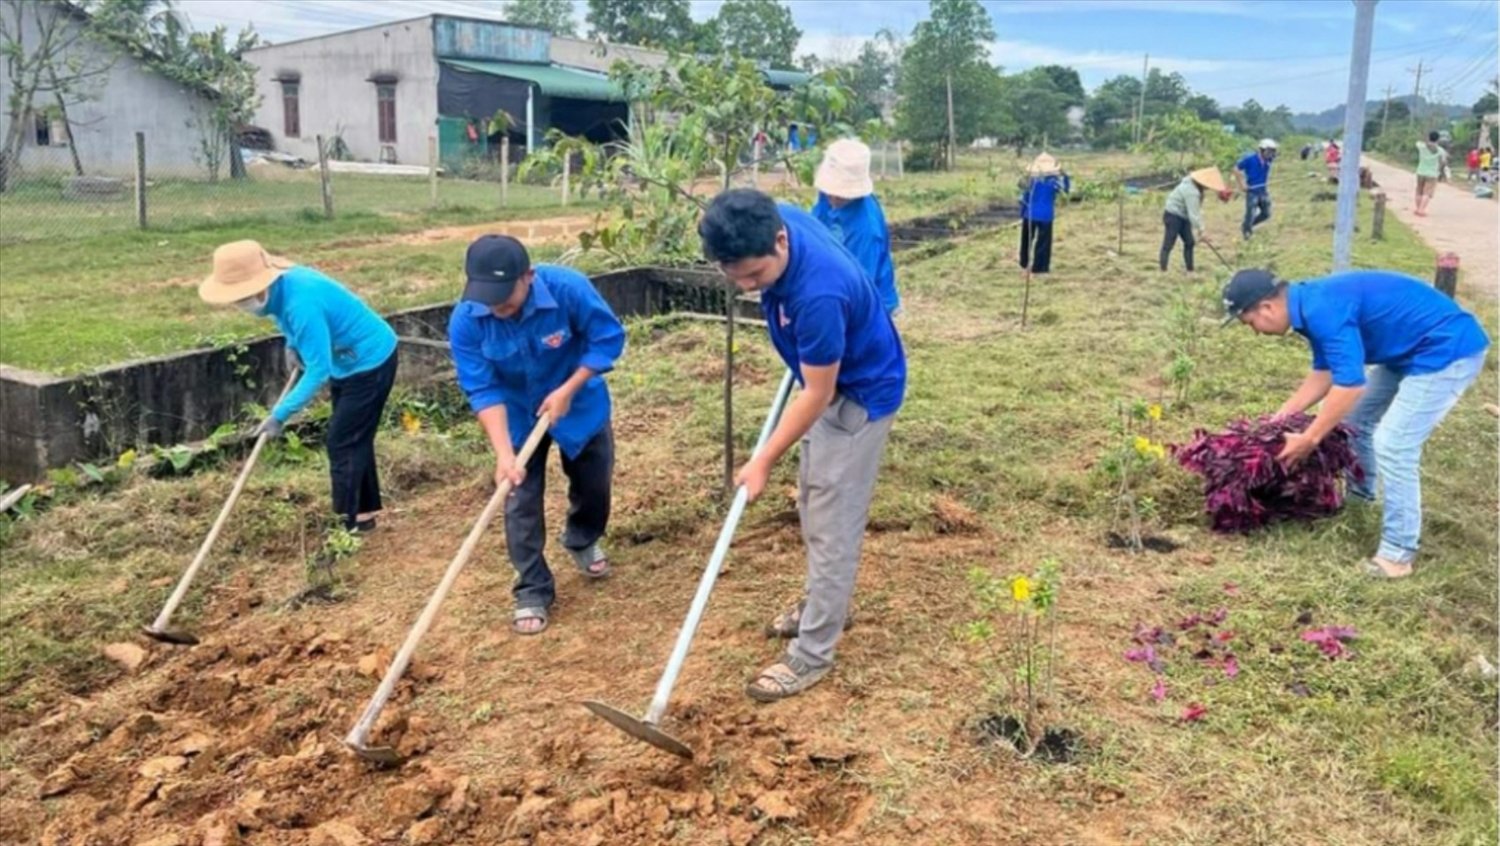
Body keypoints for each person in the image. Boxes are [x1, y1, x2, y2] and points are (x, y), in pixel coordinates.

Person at [698, 189, 906, 702]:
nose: (747, 287)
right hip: (827, 384)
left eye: (755, 276)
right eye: (736, 277)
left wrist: (762, 459)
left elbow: (818, 393)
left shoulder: (818, 295)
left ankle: (813, 654)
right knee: (814, 501)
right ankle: (824, 605)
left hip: (857, 397)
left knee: (833, 519)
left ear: (781, 241)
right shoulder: (767, 218)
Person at [1221, 268, 1489, 579]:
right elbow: (1326, 373)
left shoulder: (1321, 308)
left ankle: (1397, 555)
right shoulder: (1307, 306)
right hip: (1408, 350)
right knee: (1353, 421)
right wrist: (1277, 420)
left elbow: (1350, 385)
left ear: (1266, 307)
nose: (1254, 331)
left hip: (1446, 347)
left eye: (1249, 322)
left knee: (1394, 443)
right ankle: (1360, 499)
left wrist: (1309, 438)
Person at [447, 235, 626, 635]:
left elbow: (606, 338)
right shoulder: (467, 319)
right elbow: (482, 387)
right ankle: (532, 587)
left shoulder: (568, 288)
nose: (497, 308)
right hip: (514, 414)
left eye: (505, 297)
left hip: (578, 403)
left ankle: (582, 538)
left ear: (527, 276)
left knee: (593, 482)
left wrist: (568, 389)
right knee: (518, 498)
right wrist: (503, 455)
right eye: (488, 298)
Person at [199, 240, 399, 533]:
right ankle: (363, 515)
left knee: (342, 442)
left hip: (371, 362)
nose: (240, 304)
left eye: (242, 297)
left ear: (261, 286)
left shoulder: (301, 301)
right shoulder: (280, 291)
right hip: (346, 361)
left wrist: (280, 414)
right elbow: (285, 318)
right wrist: (292, 344)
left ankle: (344, 526)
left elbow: (318, 370)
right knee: (354, 438)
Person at [811, 138, 901, 316]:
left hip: (869, 305)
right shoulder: (825, 197)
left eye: (842, 195)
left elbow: (859, 288)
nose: (834, 198)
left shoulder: (866, 230)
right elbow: (814, 230)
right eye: (832, 191)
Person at [1160, 166, 1226, 272]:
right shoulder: (1191, 191)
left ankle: (1190, 270)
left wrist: (1201, 230)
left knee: (1190, 242)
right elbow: (1194, 214)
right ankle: (1163, 270)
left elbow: (1196, 211)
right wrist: (1202, 231)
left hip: (1183, 216)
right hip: (1173, 215)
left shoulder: (1195, 187)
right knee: (1169, 243)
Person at [1017, 153, 1071, 274]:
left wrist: (1022, 213)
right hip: (1046, 216)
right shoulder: (1054, 183)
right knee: (1043, 242)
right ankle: (1040, 267)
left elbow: (1023, 198)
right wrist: (1065, 176)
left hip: (1029, 214)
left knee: (1026, 240)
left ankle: (1024, 262)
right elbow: (1066, 190)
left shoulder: (1030, 182)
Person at [1234, 139, 1277, 239]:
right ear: (1262, 150)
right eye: (1269, 151)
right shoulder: (1250, 159)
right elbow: (1236, 169)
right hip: (1252, 191)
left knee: (1266, 214)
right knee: (1250, 213)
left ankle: (1246, 226)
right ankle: (1247, 232)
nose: (1270, 153)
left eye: (1272, 151)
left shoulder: (1269, 160)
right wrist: (1242, 184)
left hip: (1263, 191)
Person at [1414, 131, 1447, 217]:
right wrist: (1441, 172)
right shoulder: (1440, 151)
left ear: (1429, 137)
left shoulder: (1421, 146)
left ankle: (1418, 208)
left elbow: (1419, 141)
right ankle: (1422, 210)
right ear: (1438, 139)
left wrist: (1426, 138)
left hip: (1420, 171)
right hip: (1432, 173)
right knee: (1427, 193)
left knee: (1419, 191)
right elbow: (1443, 162)